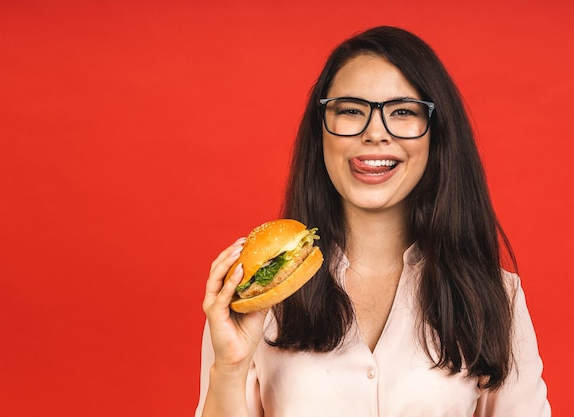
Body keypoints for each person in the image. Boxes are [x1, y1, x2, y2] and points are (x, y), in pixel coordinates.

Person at [195, 26, 550, 417]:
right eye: (350, 110)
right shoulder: (257, 295)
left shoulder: (497, 297)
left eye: (402, 112)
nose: (375, 133)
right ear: (321, 131)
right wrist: (228, 368)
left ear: (436, 134)